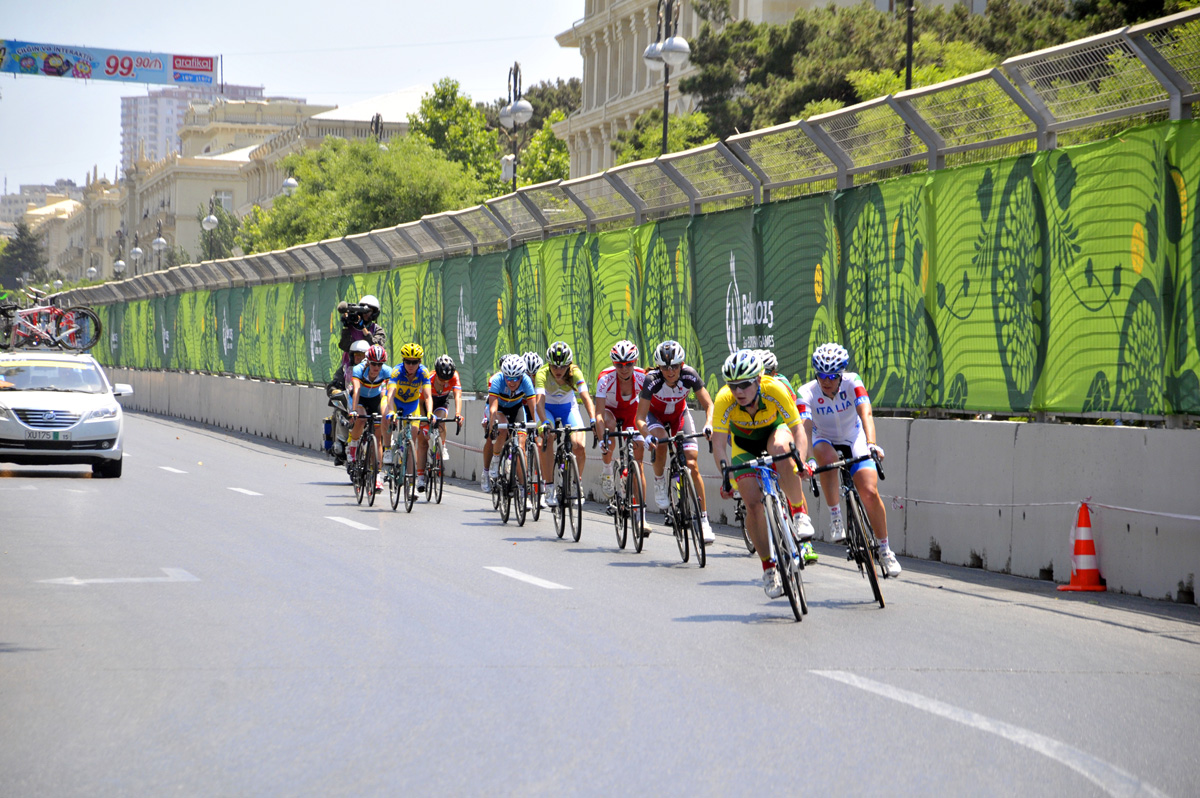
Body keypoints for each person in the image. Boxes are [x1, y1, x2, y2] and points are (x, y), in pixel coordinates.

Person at [712, 350, 818, 598]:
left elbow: (798, 429)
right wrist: (726, 479)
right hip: (744, 446)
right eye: (733, 385)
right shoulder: (724, 400)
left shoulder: (774, 389)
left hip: (775, 432)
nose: (738, 392)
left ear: (758, 380)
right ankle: (769, 567)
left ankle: (799, 513)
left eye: (745, 384)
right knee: (752, 504)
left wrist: (800, 461)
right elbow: (718, 445)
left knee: (782, 451)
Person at [798, 342, 901, 577]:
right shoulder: (806, 392)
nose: (826, 381)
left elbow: (866, 413)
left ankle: (885, 550)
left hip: (854, 437)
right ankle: (836, 518)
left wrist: (872, 444)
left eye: (832, 376)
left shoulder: (853, 381)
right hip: (822, 438)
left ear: (841, 373)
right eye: (821, 375)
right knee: (826, 455)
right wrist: (805, 460)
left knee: (869, 492)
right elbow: (804, 428)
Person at [635, 340, 716, 544]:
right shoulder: (651, 380)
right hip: (656, 418)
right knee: (661, 441)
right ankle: (660, 481)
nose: (670, 371)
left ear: (682, 364)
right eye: (665, 367)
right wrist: (647, 435)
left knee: (692, 464)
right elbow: (640, 418)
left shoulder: (690, 375)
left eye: (674, 366)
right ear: (659, 367)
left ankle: (704, 521)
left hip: (679, 415)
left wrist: (708, 424)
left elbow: (709, 404)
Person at [753, 348, 817, 565]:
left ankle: (805, 540)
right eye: (763, 372)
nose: (766, 377)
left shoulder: (781, 385)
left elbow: (795, 420)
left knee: (791, 477)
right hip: (756, 432)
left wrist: (800, 459)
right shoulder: (746, 390)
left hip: (779, 428)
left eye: (770, 372)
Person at [534, 341, 599, 507]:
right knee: (548, 438)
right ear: (549, 365)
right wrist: (544, 422)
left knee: (579, 445)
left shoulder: (575, 372)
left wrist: (592, 419)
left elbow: (585, 397)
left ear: (569, 365)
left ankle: (577, 483)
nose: (558, 371)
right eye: (554, 367)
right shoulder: (542, 373)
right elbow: (539, 403)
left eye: (562, 367)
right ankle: (549, 487)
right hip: (546, 409)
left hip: (568, 408)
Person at [595, 339, 647, 502]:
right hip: (610, 411)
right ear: (613, 363)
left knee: (638, 463)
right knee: (608, 427)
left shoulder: (642, 377)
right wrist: (602, 437)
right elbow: (599, 414)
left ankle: (641, 514)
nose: (624, 369)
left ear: (635, 362)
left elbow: (648, 408)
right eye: (619, 365)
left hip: (631, 412)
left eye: (629, 364)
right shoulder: (605, 378)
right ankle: (607, 471)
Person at [483, 354, 538, 492]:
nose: (512, 382)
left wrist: (538, 425)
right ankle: (495, 462)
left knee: (521, 444)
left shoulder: (526, 381)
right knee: (502, 430)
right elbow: (493, 408)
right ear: (504, 375)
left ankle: (523, 487)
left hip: (516, 408)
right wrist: (493, 425)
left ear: (521, 376)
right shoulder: (497, 380)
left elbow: (533, 407)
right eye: (508, 378)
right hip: (499, 409)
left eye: (515, 379)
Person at [386, 343, 434, 492]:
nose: (411, 365)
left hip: (412, 406)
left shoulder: (424, 373)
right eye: (407, 361)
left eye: (414, 362)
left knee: (412, 441)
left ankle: (411, 484)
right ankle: (389, 449)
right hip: (397, 402)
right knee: (385, 415)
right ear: (403, 361)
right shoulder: (396, 371)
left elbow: (427, 396)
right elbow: (391, 393)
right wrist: (391, 411)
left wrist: (430, 412)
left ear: (420, 362)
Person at [348, 344, 392, 493]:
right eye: (373, 364)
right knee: (361, 419)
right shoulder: (359, 369)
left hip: (374, 399)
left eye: (379, 364)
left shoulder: (386, 371)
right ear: (368, 362)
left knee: (378, 437)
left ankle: (377, 476)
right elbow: (357, 389)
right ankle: (353, 443)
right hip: (359, 399)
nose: (376, 367)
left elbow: (388, 392)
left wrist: (389, 412)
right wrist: (353, 411)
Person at [326, 339, 369, 466]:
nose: (359, 358)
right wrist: (334, 390)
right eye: (356, 355)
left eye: (362, 355)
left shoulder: (374, 370)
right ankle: (339, 442)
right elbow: (333, 384)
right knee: (337, 410)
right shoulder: (345, 369)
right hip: (349, 402)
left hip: (366, 402)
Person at [337, 295, 385, 388]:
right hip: (350, 367)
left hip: (371, 369)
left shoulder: (377, 329)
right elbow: (344, 346)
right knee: (337, 385)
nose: (366, 314)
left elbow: (377, 346)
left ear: (374, 313)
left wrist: (363, 328)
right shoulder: (351, 327)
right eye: (363, 312)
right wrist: (346, 327)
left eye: (369, 311)